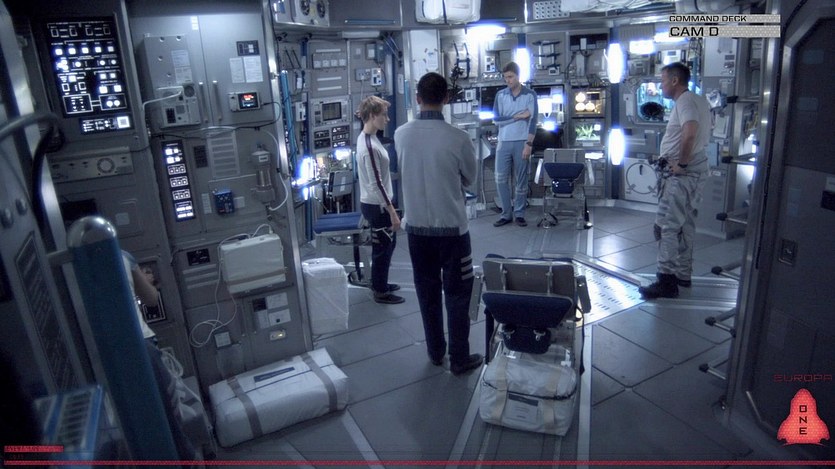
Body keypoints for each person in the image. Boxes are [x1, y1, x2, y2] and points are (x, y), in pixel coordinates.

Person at [394, 72, 482, 375]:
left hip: (416, 230)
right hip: (452, 231)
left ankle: (435, 352)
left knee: (426, 292)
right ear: (446, 99)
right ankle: (459, 358)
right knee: (457, 293)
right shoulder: (458, 138)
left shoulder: (400, 135)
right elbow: (470, 179)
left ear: (418, 98)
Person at [639, 62, 712, 299]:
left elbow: (690, 133)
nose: (660, 86)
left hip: (682, 175)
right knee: (685, 225)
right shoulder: (698, 100)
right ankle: (683, 274)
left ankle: (666, 280)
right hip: (696, 172)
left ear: (674, 80)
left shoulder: (685, 101)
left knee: (666, 227)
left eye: (662, 81)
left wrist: (681, 164)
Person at [356, 95, 404, 304]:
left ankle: (380, 283)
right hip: (377, 206)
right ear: (373, 116)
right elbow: (376, 183)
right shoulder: (370, 147)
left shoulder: (368, 137)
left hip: (376, 203)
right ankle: (380, 291)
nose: (387, 119)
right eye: (384, 115)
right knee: (383, 249)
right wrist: (392, 211)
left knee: (387, 245)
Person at [492, 61, 538, 227]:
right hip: (503, 142)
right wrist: (517, 116)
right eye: (506, 78)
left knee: (521, 179)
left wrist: (529, 144)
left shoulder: (530, 95)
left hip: (522, 141)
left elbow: (533, 120)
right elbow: (496, 120)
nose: (508, 80)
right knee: (500, 179)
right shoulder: (500, 95)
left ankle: (519, 213)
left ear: (518, 76)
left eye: (510, 77)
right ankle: (506, 214)